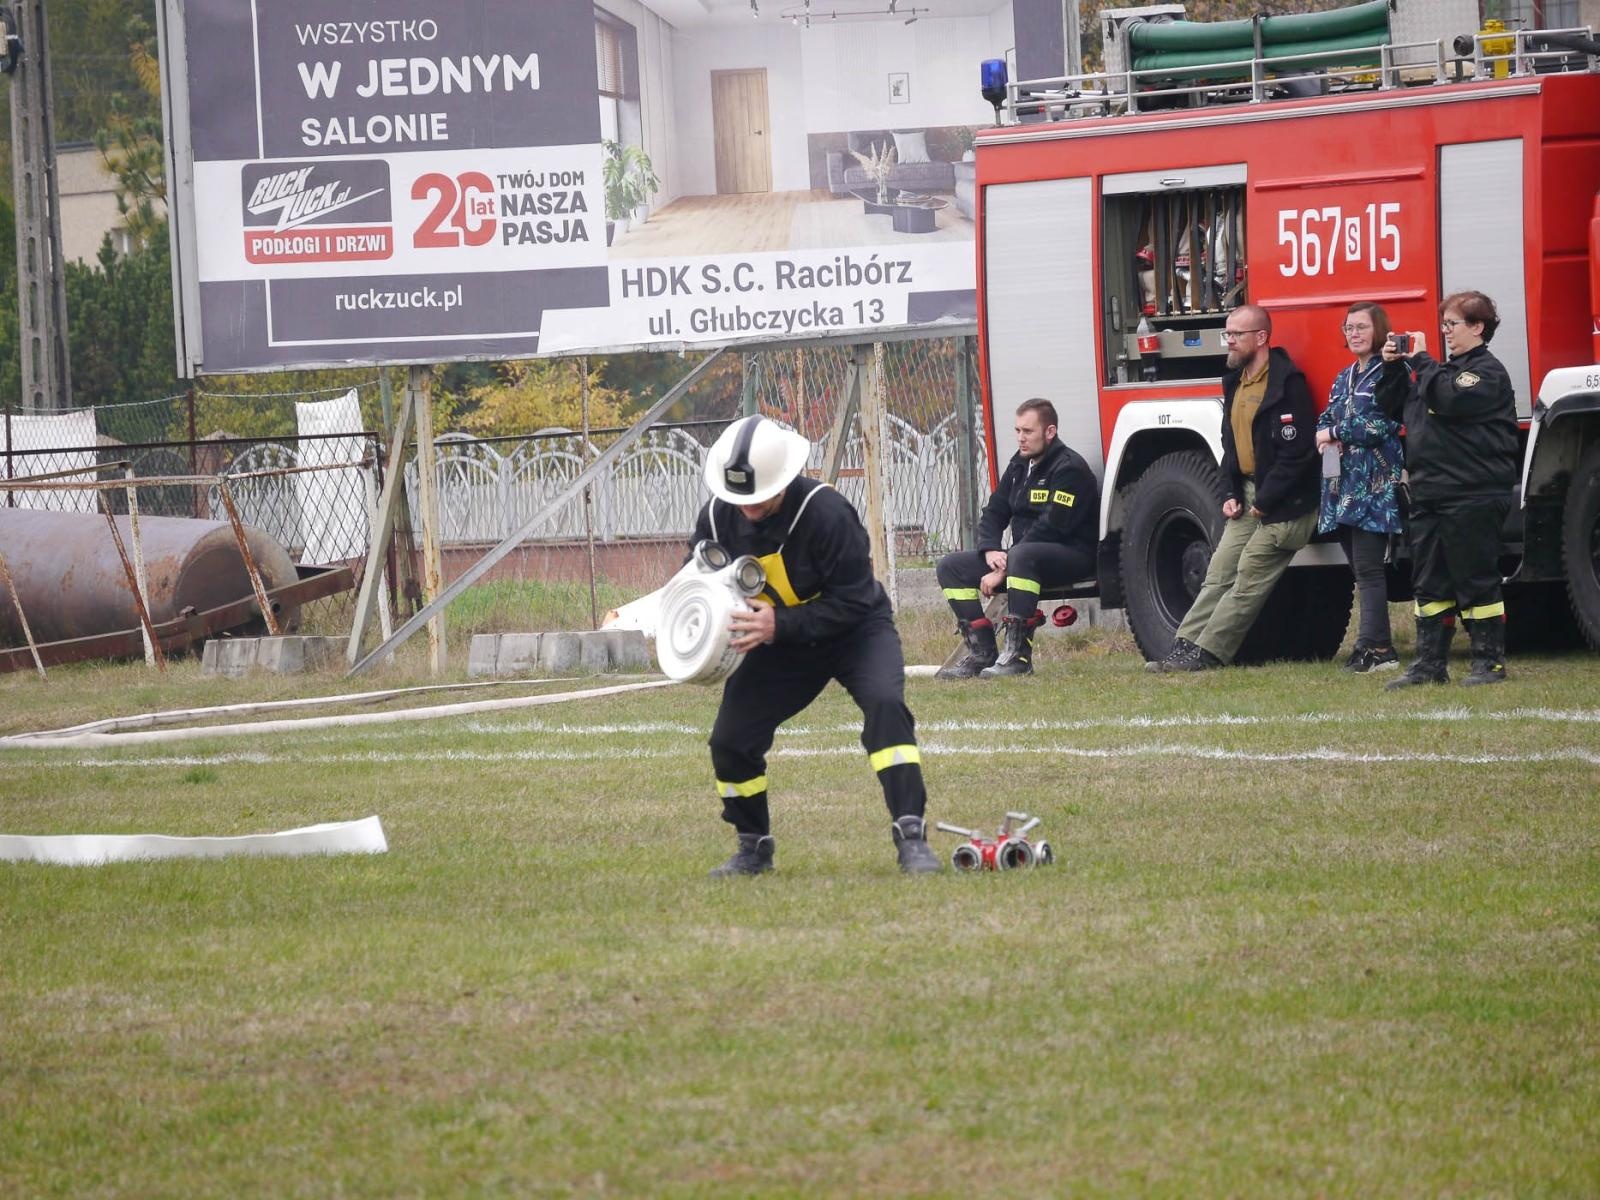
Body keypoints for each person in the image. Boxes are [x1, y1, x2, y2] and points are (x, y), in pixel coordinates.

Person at [691, 415, 942, 876]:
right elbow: (700, 588)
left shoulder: (827, 513)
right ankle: (752, 847)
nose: (748, 509)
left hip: (855, 632)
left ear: (784, 480)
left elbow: (854, 600)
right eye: (740, 499)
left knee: (886, 706)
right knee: (730, 740)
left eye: (758, 498)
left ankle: (911, 837)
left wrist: (778, 624)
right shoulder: (714, 518)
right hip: (776, 644)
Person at [1148, 304, 1320, 672]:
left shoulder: (1287, 385)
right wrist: (1230, 493)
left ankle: (1208, 654)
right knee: (1218, 573)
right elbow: (1230, 447)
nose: (1229, 341)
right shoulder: (1236, 383)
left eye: (1237, 334)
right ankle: (1183, 646)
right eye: (1228, 333)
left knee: (1247, 576)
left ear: (1261, 337)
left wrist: (1266, 501)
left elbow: (1298, 454)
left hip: (1285, 504)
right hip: (1248, 494)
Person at [1376, 291, 1519, 687]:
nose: (1445, 332)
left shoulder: (1484, 373)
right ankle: (1429, 665)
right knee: (1430, 583)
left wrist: (1422, 360)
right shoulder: (1438, 374)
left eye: (1452, 324)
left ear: (1477, 327)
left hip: (1472, 493)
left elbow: (1449, 399)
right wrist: (1392, 368)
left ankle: (1489, 663)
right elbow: (1390, 406)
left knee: (1476, 579)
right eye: (1443, 325)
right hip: (1430, 493)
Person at [933, 398, 1098, 679]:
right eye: (1018, 430)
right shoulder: (1020, 465)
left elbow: (1052, 526)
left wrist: (1004, 568)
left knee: (1022, 554)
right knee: (950, 566)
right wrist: (990, 550)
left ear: (1050, 432)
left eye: (1028, 431)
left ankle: (1018, 657)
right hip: (1022, 558)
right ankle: (982, 653)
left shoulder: (1070, 469)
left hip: (1072, 555)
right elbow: (994, 512)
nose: (1021, 438)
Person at [1315, 302, 1405, 673]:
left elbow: (1382, 424)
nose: (1354, 333)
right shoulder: (1344, 376)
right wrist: (1326, 433)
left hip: (1374, 484)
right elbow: (1326, 416)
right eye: (1349, 327)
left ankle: (1377, 649)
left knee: (1369, 568)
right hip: (1341, 487)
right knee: (1359, 569)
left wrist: (1335, 432)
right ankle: (1373, 646)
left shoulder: (1392, 371)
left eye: (1362, 327)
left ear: (1379, 330)